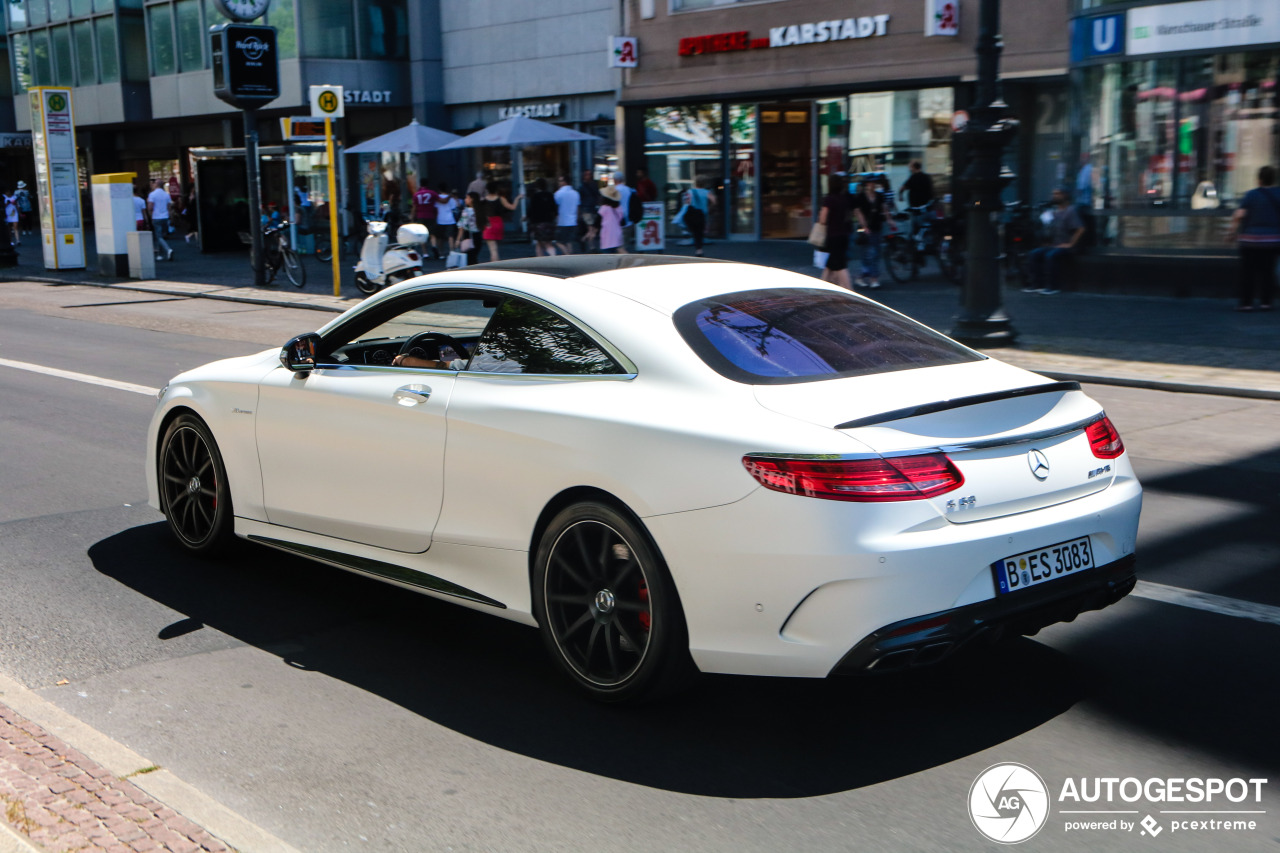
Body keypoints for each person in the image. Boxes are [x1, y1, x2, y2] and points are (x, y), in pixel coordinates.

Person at [1226, 165, 1280, 312]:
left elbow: (1239, 215)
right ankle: (1266, 302)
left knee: (1248, 272)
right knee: (1268, 272)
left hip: (1250, 241)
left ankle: (1246, 303)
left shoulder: (1251, 195)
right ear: (1273, 179)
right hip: (1273, 241)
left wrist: (1231, 232)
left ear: (1259, 179)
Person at [1024, 187, 1084, 295]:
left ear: (1065, 195)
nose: (1055, 196)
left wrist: (1071, 244)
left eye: (1058, 194)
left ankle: (1052, 286)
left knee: (1050, 256)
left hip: (1064, 246)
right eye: (1054, 194)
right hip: (1054, 244)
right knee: (1034, 254)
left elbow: (1080, 229)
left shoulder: (1070, 211)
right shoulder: (1053, 212)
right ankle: (1036, 285)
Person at [852, 176, 891, 288]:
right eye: (870, 183)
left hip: (877, 227)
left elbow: (884, 208)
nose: (872, 185)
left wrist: (889, 220)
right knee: (869, 253)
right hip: (865, 229)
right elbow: (858, 212)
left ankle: (862, 277)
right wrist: (864, 226)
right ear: (866, 184)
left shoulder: (879, 196)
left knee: (874, 253)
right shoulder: (860, 197)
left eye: (873, 183)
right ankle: (873, 278)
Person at [817, 176, 852, 290]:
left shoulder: (829, 199)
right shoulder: (844, 199)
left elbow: (822, 220)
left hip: (833, 235)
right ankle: (822, 289)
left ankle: (849, 289)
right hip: (843, 234)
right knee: (830, 264)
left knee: (839, 265)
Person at [479, 181, 521, 262]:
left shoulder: (483, 200)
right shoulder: (501, 199)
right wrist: (517, 199)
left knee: (493, 249)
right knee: (496, 249)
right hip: (498, 223)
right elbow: (513, 207)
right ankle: (496, 265)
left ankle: (494, 266)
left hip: (488, 224)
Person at [682, 177, 714, 256]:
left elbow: (687, 202)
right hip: (702, 214)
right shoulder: (707, 192)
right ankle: (699, 250)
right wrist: (709, 207)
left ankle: (697, 247)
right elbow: (714, 200)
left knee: (695, 231)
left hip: (692, 213)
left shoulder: (690, 191)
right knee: (699, 232)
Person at [528, 178, 559, 256]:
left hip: (538, 223)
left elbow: (531, 210)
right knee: (548, 242)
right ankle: (552, 254)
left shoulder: (535, 196)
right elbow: (554, 209)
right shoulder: (550, 195)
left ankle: (543, 259)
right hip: (549, 221)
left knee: (540, 243)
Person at [147, 179, 174, 261]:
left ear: (156, 184)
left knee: (158, 236)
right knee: (161, 236)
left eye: (154, 183)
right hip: (165, 217)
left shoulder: (152, 194)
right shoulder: (166, 195)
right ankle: (160, 254)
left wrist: (150, 215)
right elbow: (169, 207)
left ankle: (168, 249)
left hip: (156, 217)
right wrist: (170, 216)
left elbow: (150, 207)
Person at [553, 174, 580, 255]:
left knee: (559, 241)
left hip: (562, 221)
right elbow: (578, 208)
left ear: (564, 182)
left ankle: (567, 255)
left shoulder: (558, 193)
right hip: (573, 221)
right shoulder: (576, 193)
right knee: (569, 241)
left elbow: (555, 207)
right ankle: (570, 256)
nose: (559, 183)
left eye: (560, 181)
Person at [412, 182, 440, 258]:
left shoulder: (416, 194)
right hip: (431, 215)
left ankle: (425, 253)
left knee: (422, 234)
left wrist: (412, 216)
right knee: (432, 233)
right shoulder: (432, 193)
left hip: (420, 215)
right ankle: (434, 246)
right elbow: (439, 201)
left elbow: (414, 207)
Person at [578, 170, 601, 252]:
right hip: (588, 210)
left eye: (589, 174)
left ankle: (584, 240)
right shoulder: (592, 186)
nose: (589, 176)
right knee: (592, 229)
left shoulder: (582, 187)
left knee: (591, 229)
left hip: (589, 209)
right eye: (587, 174)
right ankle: (592, 247)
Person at [598, 185, 625, 254]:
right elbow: (622, 220)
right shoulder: (619, 208)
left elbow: (597, 221)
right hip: (617, 234)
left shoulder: (604, 208)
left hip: (607, 237)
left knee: (607, 256)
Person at [458, 192, 482, 266]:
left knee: (468, 257)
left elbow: (462, 226)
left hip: (468, 235)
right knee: (474, 256)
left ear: (471, 199)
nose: (465, 199)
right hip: (478, 235)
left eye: (467, 198)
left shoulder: (466, 211)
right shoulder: (479, 210)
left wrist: (458, 239)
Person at [434, 184, 459, 253]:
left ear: (439, 189)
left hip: (440, 219)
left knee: (440, 237)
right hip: (450, 219)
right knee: (450, 236)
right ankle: (452, 251)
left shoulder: (437, 198)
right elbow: (454, 208)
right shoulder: (451, 198)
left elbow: (435, 208)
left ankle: (441, 253)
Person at [612, 171, 635, 247]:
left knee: (617, 246)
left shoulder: (614, 191)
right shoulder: (629, 190)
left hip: (616, 220)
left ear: (615, 180)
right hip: (628, 220)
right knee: (624, 245)